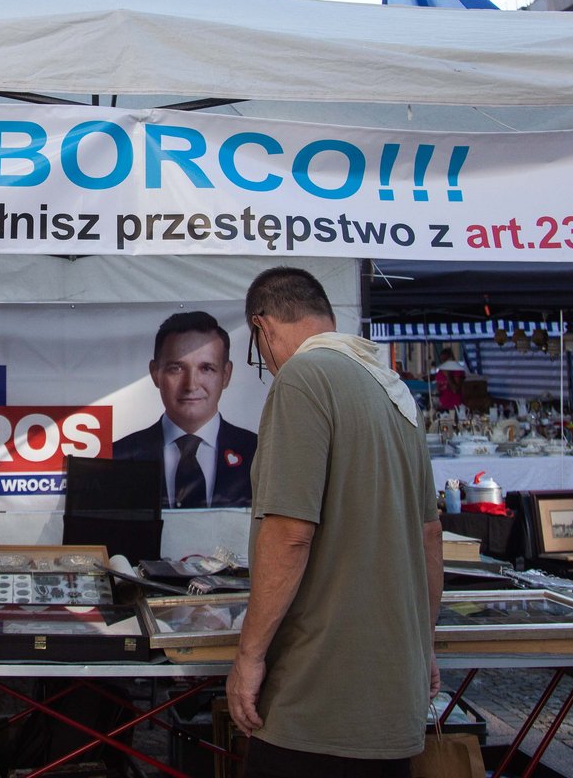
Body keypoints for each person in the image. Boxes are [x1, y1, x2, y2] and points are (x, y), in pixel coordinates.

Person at [228, 268, 441, 776]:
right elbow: (429, 535)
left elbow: (289, 534)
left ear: (262, 327)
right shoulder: (390, 388)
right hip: (392, 693)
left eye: (259, 352)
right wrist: (424, 645)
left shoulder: (304, 377)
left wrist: (249, 656)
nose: (267, 365)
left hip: (316, 694)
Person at [112, 310, 257, 507]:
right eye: (176, 368)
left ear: (226, 374)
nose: (191, 385)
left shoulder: (259, 454)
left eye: (206, 368)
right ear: (155, 373)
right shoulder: (117, 457)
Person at [431, 347, 467, 412]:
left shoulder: (457, 371)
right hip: (443, 406)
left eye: (445, 360)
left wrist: (448, 376)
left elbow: (455, 390)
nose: (443, 362)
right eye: (442, 360)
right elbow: (438, 390)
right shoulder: (440, 372)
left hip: (456, 407)